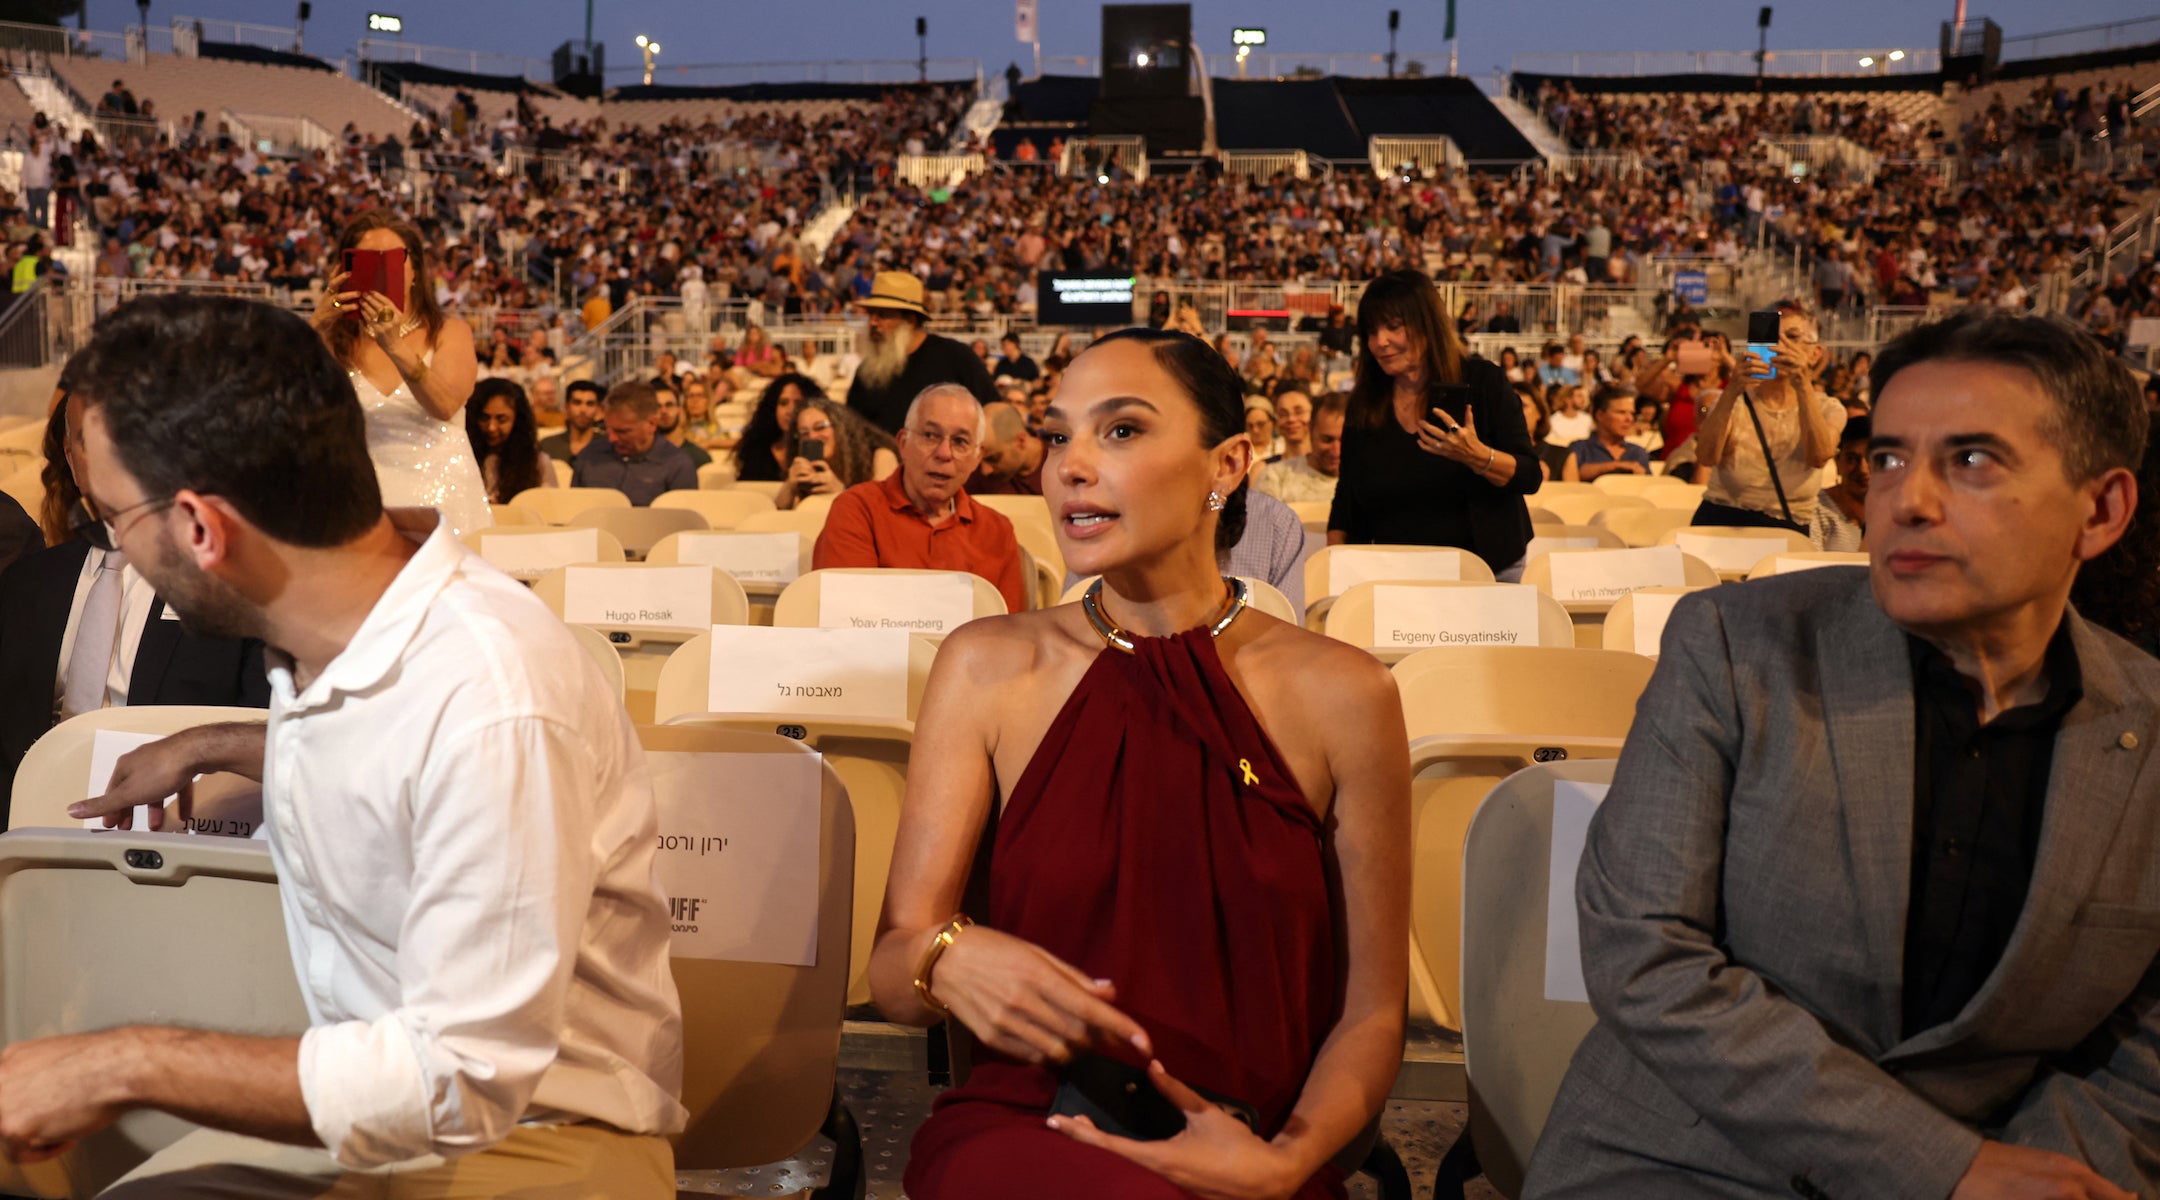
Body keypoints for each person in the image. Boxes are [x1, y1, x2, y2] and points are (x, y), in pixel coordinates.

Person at [28, 295, 686, 1192]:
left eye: (117, 517)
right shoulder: (345, 626)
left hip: (536, 1134)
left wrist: (120, 1063)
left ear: (201, 530)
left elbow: (461, 1081)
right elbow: (390, 743)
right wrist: (218, 741)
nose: (117, 552)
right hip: (389, 1119)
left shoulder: (490, 691)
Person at [1525, 311, 2158, 1200]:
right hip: (1692, 1157)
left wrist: (2043, 1173)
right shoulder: (1735, 647)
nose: (1908, 498)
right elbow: (1646, 955)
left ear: (2101, 510)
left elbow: (2146, 1040)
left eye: (1971, 461)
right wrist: (1943, 1171)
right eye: (1891, 457)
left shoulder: (2151, 729)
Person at [872, 326, 1409, 1200]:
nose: (1070, 466)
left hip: (1252, 1148)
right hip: (1030, 1129)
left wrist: (1285, 1162)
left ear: (1227, 465)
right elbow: (893, 974)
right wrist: (948, 958)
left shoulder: (1347, 694)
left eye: (1120, 431)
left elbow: (1373, 1013)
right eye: (1056, 435)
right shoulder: (983, 666)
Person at [0, 387, 269, 807]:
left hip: (183, 836)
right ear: (72, 460)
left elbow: (285, 738)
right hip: (31, 835)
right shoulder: (30, 582)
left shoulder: (241, 584)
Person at [1329, 270, 1542, 580]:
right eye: (1371, 332)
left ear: (1427, 324)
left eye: (1393, 327)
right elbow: (1347, 494)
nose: (1380, 342)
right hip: (1394, 571)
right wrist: (1334, 563)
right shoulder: (1366, 400)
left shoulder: (1483, 381)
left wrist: (1477, 456)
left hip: (1487, 568)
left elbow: (1529, 476)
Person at [310, 211, 488, 538]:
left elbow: (445, 405)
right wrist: (318, 322)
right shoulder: (329, 340)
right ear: (344, 269)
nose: (378, 267)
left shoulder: (449, 331)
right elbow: (275, 400)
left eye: (391, 259)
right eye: (365, 260)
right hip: (358, 502)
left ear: (415, 271)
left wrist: (394, 344)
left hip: (445, 503)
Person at [812, 384, 1026, 613]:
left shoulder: (997, 531)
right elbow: (845, 619)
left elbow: (1008, 635)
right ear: (903, 444)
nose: (944, 453)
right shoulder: (857, 510)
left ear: (976, 457)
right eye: (930, 436)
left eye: (960, 441)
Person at [1692, 300, 1844, 533]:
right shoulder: (1734, 402)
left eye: (1792, 338)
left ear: (1815, 353)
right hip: (1723, 518)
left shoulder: (1829, 408)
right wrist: (1733, 388)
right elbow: (1706, 456)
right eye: (1771, 338)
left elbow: (1819, 456)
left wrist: (1803, 383)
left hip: (1789, 523)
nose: (1779, 347)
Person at [846, 271, 997, 434]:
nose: (873, 323)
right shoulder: (867, 371)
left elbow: (993, 411)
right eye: (871, 314)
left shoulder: (955, 357)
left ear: (910, 320)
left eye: (883, 315)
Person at [571, 381, 698, 505]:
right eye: (608, 429)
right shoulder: (589, 457)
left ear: (651, 424)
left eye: (623, 431)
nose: (612, 438)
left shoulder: (678, 465)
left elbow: (683, 522)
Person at [777, 396, 899, 512]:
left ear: (841, 428)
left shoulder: (880, 456)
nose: (812, 437)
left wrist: (841, 490)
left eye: (820, 428)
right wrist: (790, 485)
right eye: (804, 433)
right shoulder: (809, 466)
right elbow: (779, 515)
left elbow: (884, 509)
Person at [464, 377, 554, 504]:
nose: (492, 427)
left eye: (502, 420)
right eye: (484, 418)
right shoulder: (463, 459)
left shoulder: (538, 463)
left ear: (518, 421)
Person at [1252, 392, 1345, 505]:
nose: (1337, 450)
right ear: (1311, 430)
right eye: (1327, 440)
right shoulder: (1274, 477)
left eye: (1344, 440)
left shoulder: (1365, 481)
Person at [734, 373, 821, 484]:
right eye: (783, 403)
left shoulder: (823, 451)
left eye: (798, 403)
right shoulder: (758, 452)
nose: (790, 411)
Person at [1562, 386, 1652, 482]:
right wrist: (1615, 466)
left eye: (1632, 413)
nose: (1629, 419)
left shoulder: (1638, 453)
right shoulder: (1580, 448)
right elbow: (1574, 474)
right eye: (1621, 412)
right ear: (1600, 415)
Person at [1810, 414, 1869, 553]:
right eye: (1851, 459)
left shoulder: (1899, 508)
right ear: (1837, 461)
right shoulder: (1817, 508)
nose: (1863, 469)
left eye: (1871, 458)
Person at [969, 400, 1046, 496]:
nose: (985, 471)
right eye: (979, 458)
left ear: (1021, 441)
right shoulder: (976, 476)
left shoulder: (1062, 463)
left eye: (993, 459)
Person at [538, 379, 603, 466]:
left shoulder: (608, 447)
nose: (583, 410)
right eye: (577, 403)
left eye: (590, 404)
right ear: (566, 407)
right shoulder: (548, 446)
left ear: (598, 409)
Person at [655, 383, 714, 470]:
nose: (663, 411)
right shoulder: (639, 456)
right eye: (657, 406)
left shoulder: (698, 457)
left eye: (669, 405)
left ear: (679, 409)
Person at [1272, 390, 1313, 463]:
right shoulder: (1264, 469)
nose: (1291, 419)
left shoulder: (1330, 465)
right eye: (1283, 414)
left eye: (1299, 412)